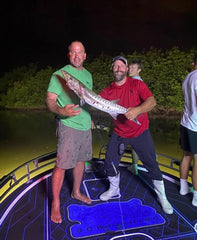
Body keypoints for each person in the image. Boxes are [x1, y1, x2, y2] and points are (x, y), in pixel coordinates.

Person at [99, 55, 173, 214]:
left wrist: (137, 110)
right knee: (109, 163)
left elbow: (152, 102)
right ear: (112, 69)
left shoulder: (137, 83)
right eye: (116, 65)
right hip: (119, 133)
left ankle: (163, 198)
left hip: (140, 132)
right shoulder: (108, 90)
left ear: (127, 69)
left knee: (152, 165)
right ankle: (114, 190)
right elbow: (95, 102)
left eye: (122, 65)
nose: (119, 68)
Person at [46, 41, 93, 224]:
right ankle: (56, 203)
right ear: (69, 55)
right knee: (62, 164)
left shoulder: (88, 75)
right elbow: (50, 100)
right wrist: (61, 111)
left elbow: (86, 100)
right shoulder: (59, 74)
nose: (76, 55)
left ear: (85, 55)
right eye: (73, 52)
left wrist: (89, 118)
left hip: (85, 126)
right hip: (69, 125)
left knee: (81, 160)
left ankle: (76, 191)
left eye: (79, 52)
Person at [179, 55, 197, 207]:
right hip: (196, 126)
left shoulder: (188, 77)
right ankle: (196, 197)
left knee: (187, 155)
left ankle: (183, 188)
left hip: (185, 122)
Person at [127, 59, 143, 174]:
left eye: (133, 68)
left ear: (139, 70)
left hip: (131, 117)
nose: (130, 70)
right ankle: (135, 166)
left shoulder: (134, 82)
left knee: (118, 140)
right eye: (129, 67)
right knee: (135, 143)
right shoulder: (139, 82)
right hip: (137, 117)